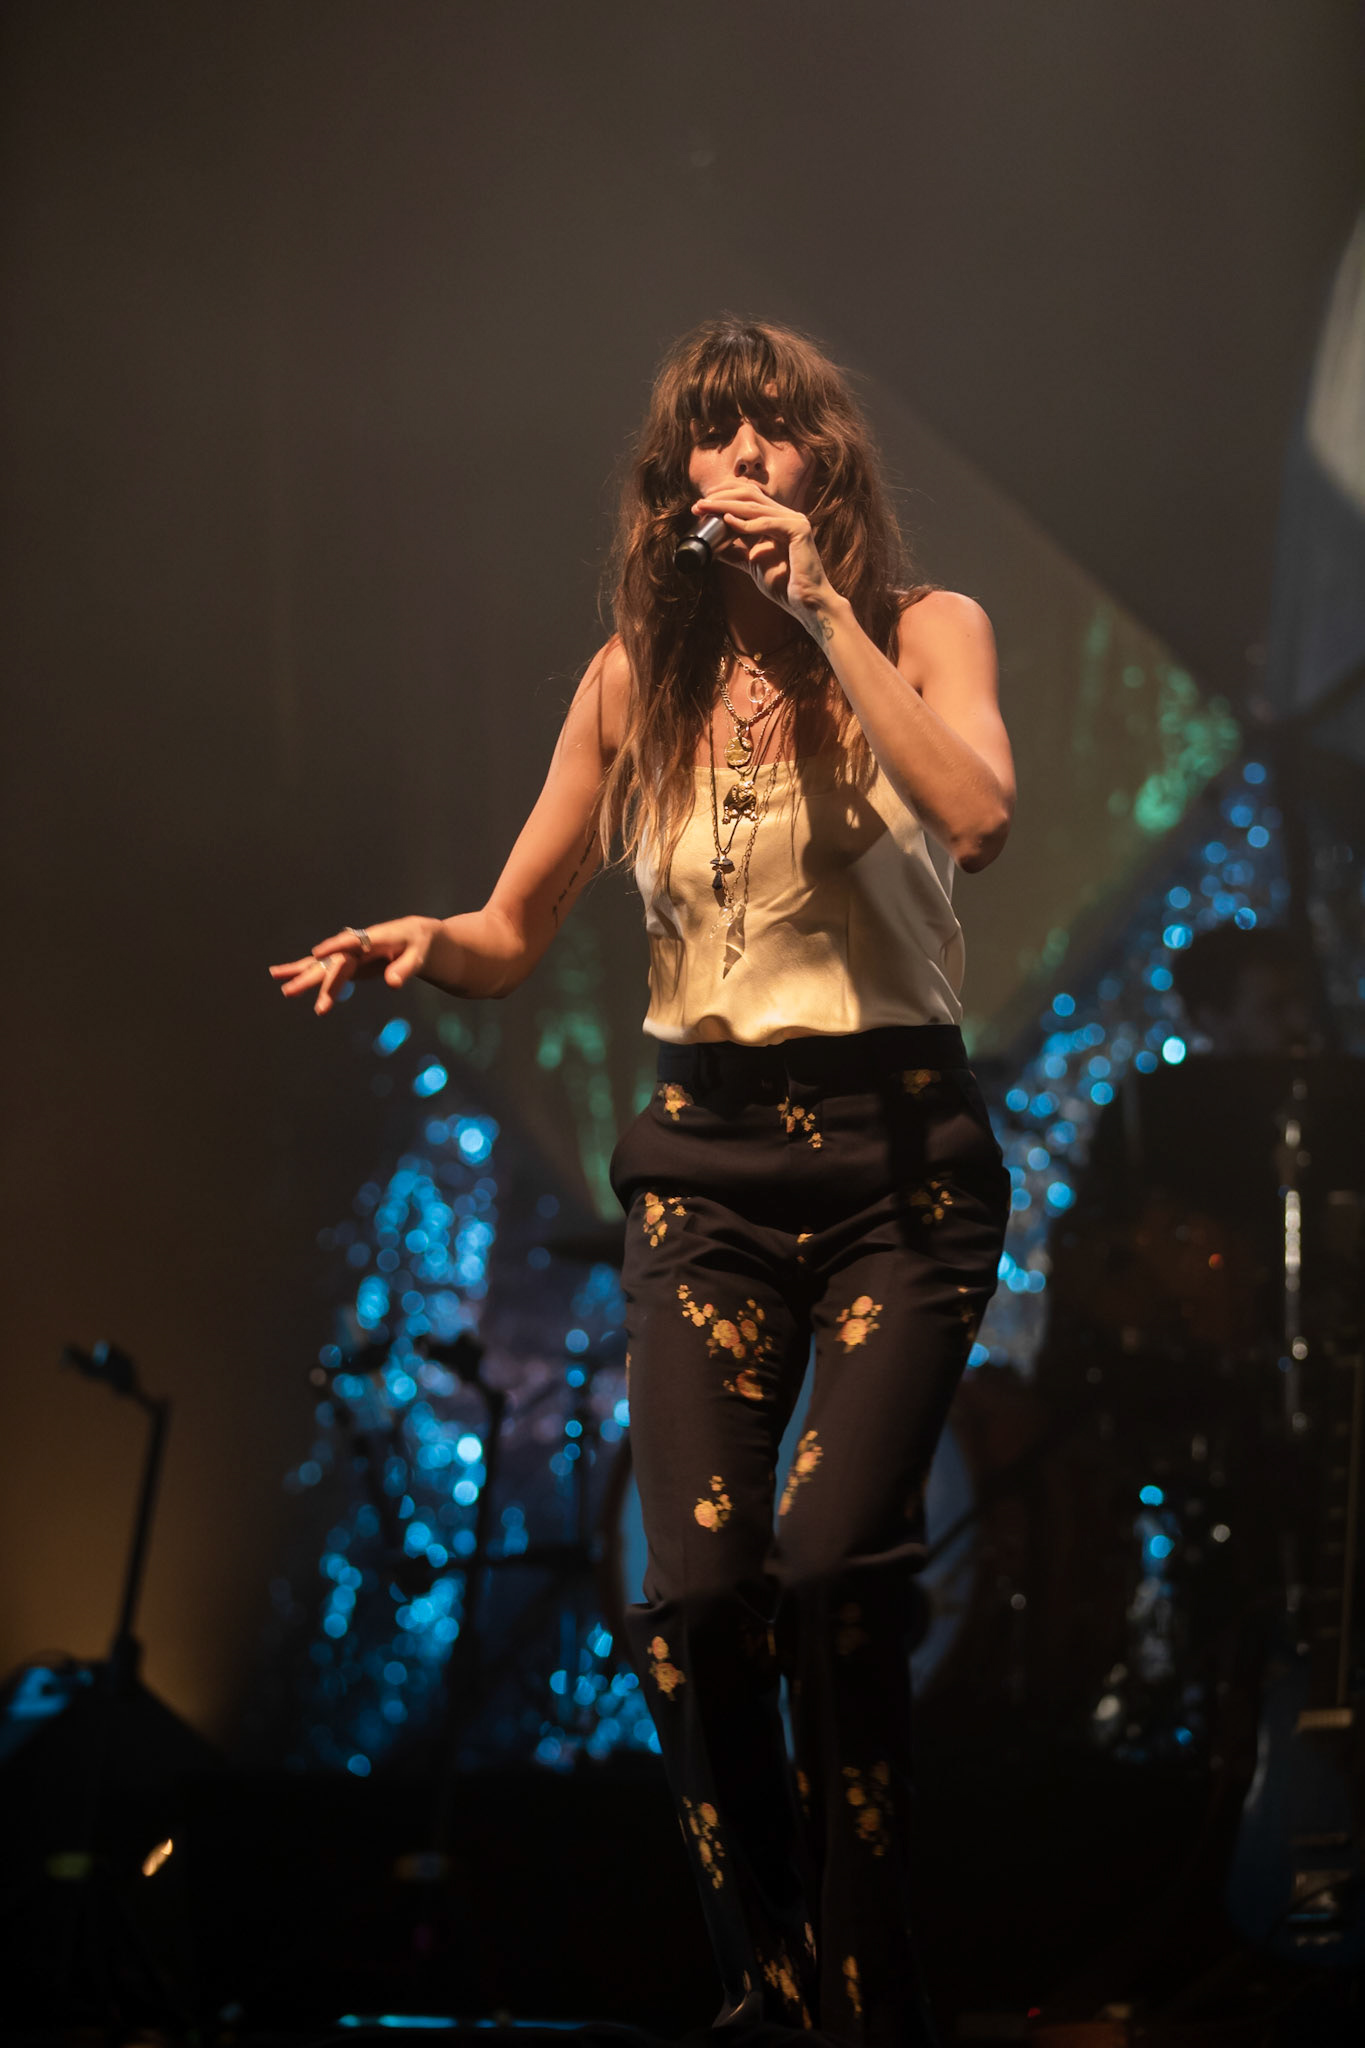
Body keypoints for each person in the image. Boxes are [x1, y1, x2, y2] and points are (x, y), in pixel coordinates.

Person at [271, 317, 1014, 2046]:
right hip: (706, 1171)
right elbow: (512, 926)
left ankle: (871, 1986)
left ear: (825, 465)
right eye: (715, 436)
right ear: (674, 477)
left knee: (828, 1572)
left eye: (778, 433)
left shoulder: (925, 627)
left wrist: (823, 615)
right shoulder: (633, 681)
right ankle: (772, 1984)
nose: (745, 460)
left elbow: (975, 815)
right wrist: (423, 940)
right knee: (690, 1597)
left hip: (898, 1161)